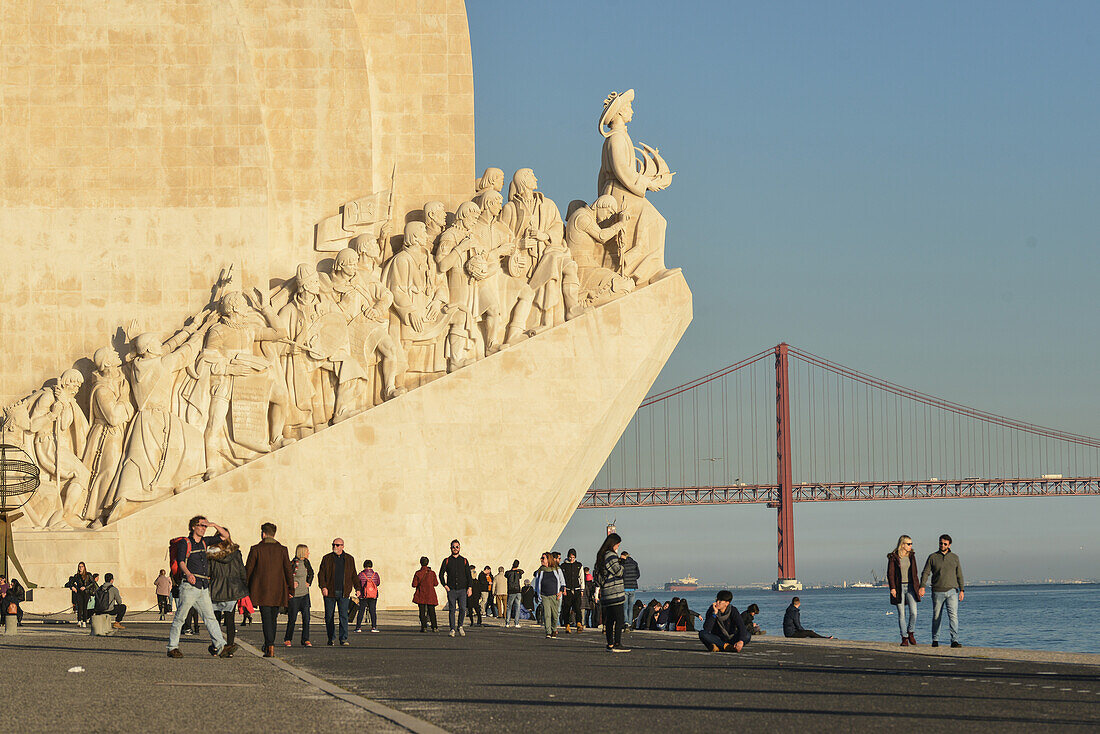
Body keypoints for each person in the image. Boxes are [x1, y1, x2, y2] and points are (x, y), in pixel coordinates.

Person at [167, 515, 233, 658]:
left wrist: (213, 524)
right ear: (193, 527)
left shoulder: (205, 541)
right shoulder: (186, 542)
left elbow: (225, 536)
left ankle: (221, 647)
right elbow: (181, 561)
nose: (203, 528)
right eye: (201, 525)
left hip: (202, 587)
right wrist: (188, 574)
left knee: (210, 617)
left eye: (205, 526)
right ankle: (172, 647)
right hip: (190, 586)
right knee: (180, 617)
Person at [244, 522, 294, 657]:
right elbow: (288, 571)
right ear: (274, 534)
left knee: (266, 618)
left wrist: (245, 587)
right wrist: (291, 590)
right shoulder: (282, 549)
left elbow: (248, 569)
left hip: (261, 590)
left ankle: (269, 645)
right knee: (273, 618)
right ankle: (269, 644)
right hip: (278, 590)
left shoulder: (256, 549)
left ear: (263, 534)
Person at [920, 533, 965, 648]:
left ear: (949, 544)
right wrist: (922, 586)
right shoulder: (933, 557)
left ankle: (954, 640)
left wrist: (962, 590)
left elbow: (959, 574)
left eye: (945, 544)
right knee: (936, 616)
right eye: (941, 543)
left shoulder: (955, 557)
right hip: (937, 591)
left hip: (952, 591)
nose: (942, 545)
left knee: (953, 616)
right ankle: (935, 640)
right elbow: (926, 572)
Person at [208, 532, 248, 655]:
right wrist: (244, 585)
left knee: (216, 620)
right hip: (233, 588)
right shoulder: (236, 553)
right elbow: (242, 570)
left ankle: (217, 646)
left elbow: (208, 572)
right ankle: (230, 646)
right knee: (230, 620)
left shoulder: (212, 555)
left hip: (215, 588)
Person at [319, 537, 362, 646]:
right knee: (329, 616)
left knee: (344, 616)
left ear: (342, 546)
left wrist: (358, 588)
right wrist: (323, 587)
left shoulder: (349, 559)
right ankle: (331, 638)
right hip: (330, 592)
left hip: (344, 592)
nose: (335, 547)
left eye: (337, 545)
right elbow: (321, 574)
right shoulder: (327, 558)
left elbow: (353, 575)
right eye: (333, 544)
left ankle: (343, 638)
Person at [594, 532, 629, 652]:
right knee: (619, 619)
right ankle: (617, 643)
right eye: (617, 545)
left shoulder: (600, 556)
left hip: (605, 593)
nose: (618, 547)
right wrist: (623, 562)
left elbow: (597, 577)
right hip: (615, 592)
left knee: (609, 620)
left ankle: (609, 644)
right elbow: (619, 572)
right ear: (613, 544)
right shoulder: (611, 556)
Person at [888, 534, 924, 646]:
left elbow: (915, 573)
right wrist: (892, 588)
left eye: (911, 544)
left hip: (911, 587)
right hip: (899, 588)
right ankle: (904, 637)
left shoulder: (912, 556)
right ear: (902, 544)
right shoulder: (894, 557)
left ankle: (910, 632)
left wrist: (918, 588)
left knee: (914, 613)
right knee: (901, 614)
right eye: (909, 544)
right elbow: (890, 574)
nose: (911, 546)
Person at [439, 539, 473, 637]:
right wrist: (445, 585)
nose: (455, 549)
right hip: (452, 590)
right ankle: (452, 629)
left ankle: (460, 626)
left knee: (462, 609)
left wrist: (469, 587)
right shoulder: (447, 561)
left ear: (459, 548)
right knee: (452, 610)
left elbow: (468, 576)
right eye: (453, 547)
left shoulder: (464, 560)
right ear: (451, 548)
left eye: (457, 547)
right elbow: (441, 574)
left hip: (462, 589)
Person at [285, 544, 314, 647]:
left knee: (306, 618)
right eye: (307, 551)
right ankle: (288, 638)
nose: (308, 553)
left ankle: (305, 639)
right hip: (295, 596)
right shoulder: (293, 563)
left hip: (305, 594)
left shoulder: (306, 563)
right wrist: (291, 584)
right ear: (302, 552)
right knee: (292, 618)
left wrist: (308, 582)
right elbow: (286, 576)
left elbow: (311, 573)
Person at [533, 552, 566, 639]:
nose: (541, 560)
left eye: (543, 558)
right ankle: (548, 632)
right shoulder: (540, 570)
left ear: (548, 559)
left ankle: (554, 629)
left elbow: (562, 582)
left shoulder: (556, 569)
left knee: (555, 615)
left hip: (554, 595)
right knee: (547, 614)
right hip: (544, 595)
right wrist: (536, 594)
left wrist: (561, 592)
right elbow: (537, 583)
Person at [559, 548, 584, 633]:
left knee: (577, 608)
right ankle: (567, 625)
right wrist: (563, 589)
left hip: (577, 589)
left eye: (573, 557)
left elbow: (581, 577)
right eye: (570, 557)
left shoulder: (579, 565)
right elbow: (561, 578)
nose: (571, 559)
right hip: (567, 590)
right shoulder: (563, 566)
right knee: (566, 608)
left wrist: (582, 589)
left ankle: (579, 623)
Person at [412, 556, 439, 632]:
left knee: (422, 612)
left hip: (421, 594)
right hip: (430, 595)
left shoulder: (418, 573)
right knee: (432, 612)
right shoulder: (432, 573)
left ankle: (424, 627)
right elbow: (436, 583)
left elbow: (414, 584)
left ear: (420, 563)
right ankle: (435, 627)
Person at [65, 562, 95, 628]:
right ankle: (79, 621)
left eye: (82, 566)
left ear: (84, 567)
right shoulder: (76, 576)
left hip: (86, 592)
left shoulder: (88, 575)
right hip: (79, 593)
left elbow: (93, 583)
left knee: (85, 607)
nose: (80, 568)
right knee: (79, 607)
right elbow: (69, 583)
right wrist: (72, 587)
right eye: (79, 567)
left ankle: (84, 621)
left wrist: (85, 587)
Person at [355, 560, 381, 633]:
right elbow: (378, 583)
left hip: (363, 595)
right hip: (373, 595)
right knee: (372, 611)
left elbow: (357, 583)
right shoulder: (375, 575)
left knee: (361, 611)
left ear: (364, 565)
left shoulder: (361, 574)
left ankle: (358, 627)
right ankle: (374, 627)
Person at [620, 550, 640, 625]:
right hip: (633, 587)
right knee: (630, 607)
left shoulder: (622, 564)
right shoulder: (635, 563)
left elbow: (620, 575)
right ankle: (630, 623)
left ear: (624, 556)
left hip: (624, 587)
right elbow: (638, 575)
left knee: (625, 607)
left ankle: (626, 622)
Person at [503, 560, 524, 628]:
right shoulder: (518, 572)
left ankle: (507, 622)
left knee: (509, 607)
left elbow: (506, 575)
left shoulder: (509, 573)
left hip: (511, 591)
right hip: (518, 591)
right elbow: (521, 573)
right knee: (517, 607)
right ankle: (516, 623)